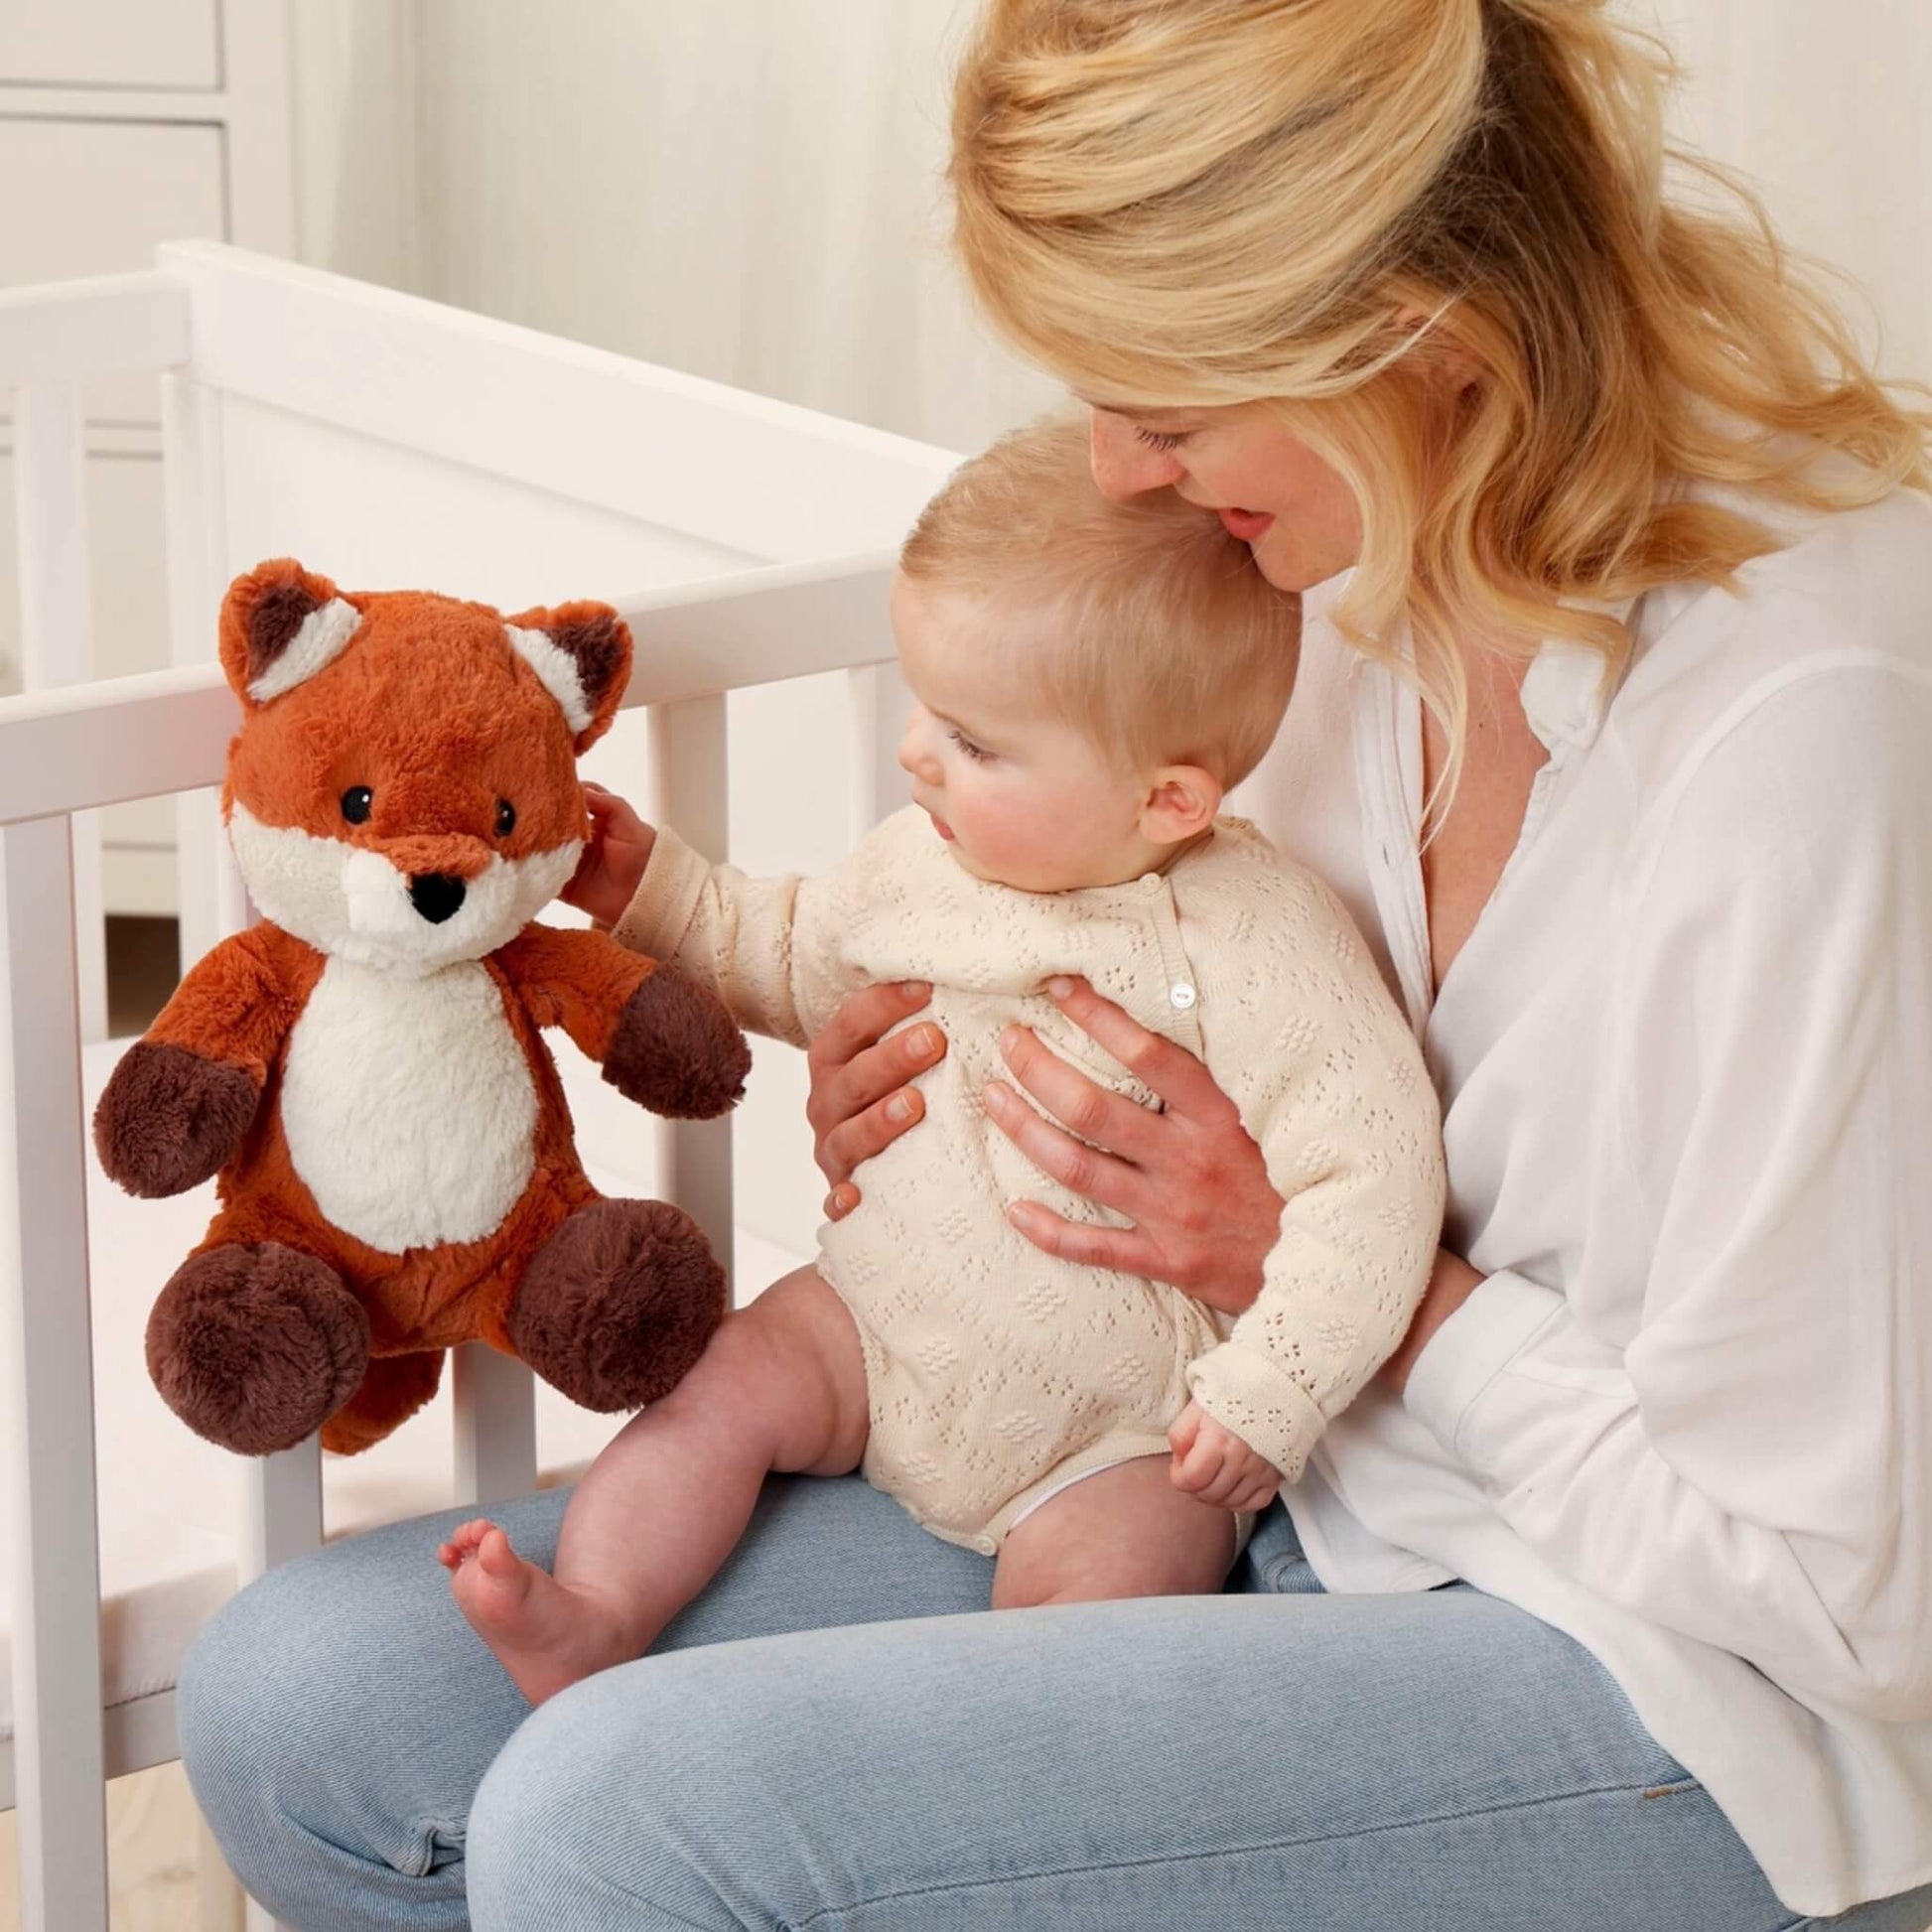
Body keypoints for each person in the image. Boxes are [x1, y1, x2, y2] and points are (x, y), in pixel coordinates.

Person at [176, 1, 1932, 1925]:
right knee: (304, 1706)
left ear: (1403, 323)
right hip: (1232, 1474)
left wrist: (1356, 1294)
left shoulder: (1793, 733)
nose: (1116, 465)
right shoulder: (1340, 563)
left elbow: (1833, 1590)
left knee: (611, 1822)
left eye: (1164, 405)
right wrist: (927, 1096)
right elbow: (1141, 963)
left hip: (1663, 1671)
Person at [436, 416, 1444, 1706]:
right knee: (715, 1392)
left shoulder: (1257, 937)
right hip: (870, 1324)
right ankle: (595, 1609)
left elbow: (1372, 1172)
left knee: (1107, 1599)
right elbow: (791, 949)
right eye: (926, 710)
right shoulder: (926, 861)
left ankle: (965, 1753)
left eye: (973, 739)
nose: (915, 752)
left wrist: (1270, 1390)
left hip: (1119, 1426)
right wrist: (653, 888)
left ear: (1166, 800)